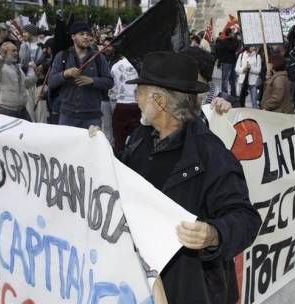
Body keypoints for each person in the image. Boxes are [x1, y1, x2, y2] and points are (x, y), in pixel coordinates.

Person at [117, 51, 260, 304]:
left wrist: (213, 234)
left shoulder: (210, 154)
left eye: (140, 91)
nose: (135, 98)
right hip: (140, 283)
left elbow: (246, 219)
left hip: (190, 289)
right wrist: (96, 151)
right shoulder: (140, 137)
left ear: (159, 101)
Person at [48, 20, 114, 128]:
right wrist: (65, 74)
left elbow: (109, 82)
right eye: (82, 34)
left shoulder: (98, 57)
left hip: (92, 117)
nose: (86, 37)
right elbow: (51, 82)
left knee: (91, 145)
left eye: (88, 34)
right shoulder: (62, 56)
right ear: (73, 36)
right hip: (67, 116)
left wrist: (92, 81)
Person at [0, 42, 36, 120]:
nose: (16, 53)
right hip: (7, 111)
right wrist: (1, 57)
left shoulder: (16, 66)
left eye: (16, 51)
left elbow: (26, 84)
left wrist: (36, 76)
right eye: (13, 51)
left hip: (22, 110)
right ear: (4, 52)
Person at [109, 53, 140, 154]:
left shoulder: (115, 66)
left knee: (119, 137)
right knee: (137, 138)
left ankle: (119, 158)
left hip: (121, 104)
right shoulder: (140, 65)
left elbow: (112, 88)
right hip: (138, 104)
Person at [215, 28, 239, 96]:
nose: (233, 34)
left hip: (232, 62)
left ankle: (233, 94)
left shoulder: (227, 41)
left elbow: (234, 47)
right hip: (226, 63)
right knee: (225, 80)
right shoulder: (224, 42)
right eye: (232, 32)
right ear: (229, 33)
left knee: (233, 80)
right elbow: (232, 48)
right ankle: (225, 94)